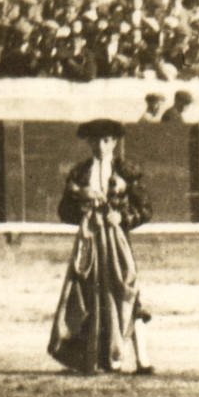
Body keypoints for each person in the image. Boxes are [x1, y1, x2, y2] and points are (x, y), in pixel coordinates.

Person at [48, 118, 155, 375]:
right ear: (88, 142)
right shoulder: (79, 173)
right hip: (90, 242)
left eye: (106, 140)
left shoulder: (128, 171)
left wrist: (122, 218)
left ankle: (143, 359)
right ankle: (96, 359)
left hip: (118, 241)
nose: (100, 146)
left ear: (115, 142)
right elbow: (65, 212)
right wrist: (81, 203)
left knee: (126, 291)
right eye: (95, 140)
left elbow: (146, 210)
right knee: (90, 296)